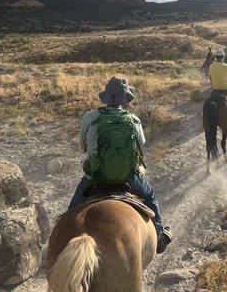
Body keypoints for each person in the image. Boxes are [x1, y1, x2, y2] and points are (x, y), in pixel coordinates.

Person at [68, 77, 173, 254]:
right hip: (128, 176)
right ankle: (160, 236)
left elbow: (82, 148)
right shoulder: (134, 120)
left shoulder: (90, 117)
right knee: (151, 197)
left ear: (106, 97)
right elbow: (140, 146)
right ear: (126, 99)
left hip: (96, 176)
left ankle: (66, 237)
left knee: (72, 209)